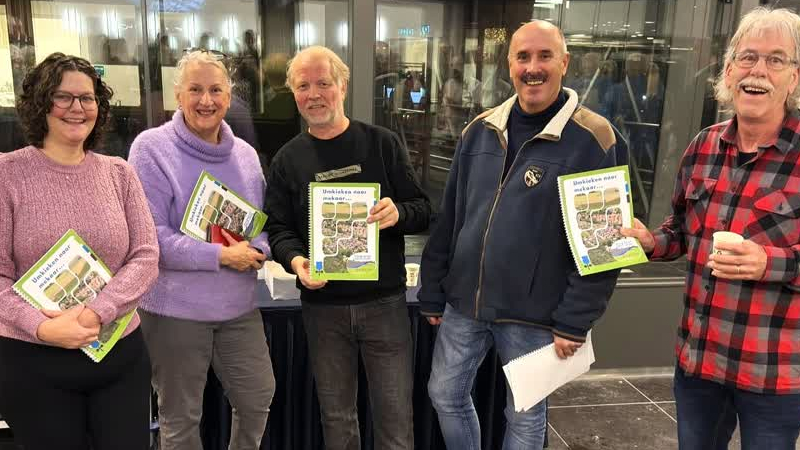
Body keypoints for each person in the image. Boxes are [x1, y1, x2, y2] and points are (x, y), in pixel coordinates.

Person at [418, 20, 628, 450]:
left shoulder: (595, 139)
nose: (533, 68)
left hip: (536, 315)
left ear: (564, 62)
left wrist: (576, 320)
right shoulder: (479, 130)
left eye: (544, 56)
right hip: (466, 303)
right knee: (444, 394)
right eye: (523, 57)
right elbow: (451, 217)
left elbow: (605, 246)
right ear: (509, 64)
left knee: (525, 416)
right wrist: (433, 288)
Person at [621, 7, 800, 450]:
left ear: (794, 78)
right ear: (729, 70)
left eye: (776, 59)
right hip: (699, 362)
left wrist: (770, 263)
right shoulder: (703, 146)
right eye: (747, 57)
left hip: (775, 373)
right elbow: (681, 231)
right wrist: (651, 241)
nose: (758, 70)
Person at [264, 45, 432, 450]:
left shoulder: (382, 144)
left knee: (395, 418)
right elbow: (278, 229)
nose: (314, 94)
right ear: (294, 93)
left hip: (384, 304)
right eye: (303, 86)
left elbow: (423, 209)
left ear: (342, 86)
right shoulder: (287, 160)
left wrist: (398, 212)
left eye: (323, 83)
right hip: (323, 310)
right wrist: (296, 261)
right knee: (337, 420)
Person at [0, 52, 159, 450]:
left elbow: (145, 256)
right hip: (33, 360)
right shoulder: (7, 174)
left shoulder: (119, 173)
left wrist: (96, 312)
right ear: (40, 103)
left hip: (118, 355)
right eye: (63, 97)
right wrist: (42, 327)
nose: (77, 108)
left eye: (87, 98)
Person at [127, 50, 275, 450]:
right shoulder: (150, 149)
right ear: (178, 95)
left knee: (258, 397)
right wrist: (222, 256)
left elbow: (259, 224)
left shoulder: (245, 155)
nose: (205, 100)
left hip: (239, 308)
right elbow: (151, 239)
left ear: (229, 96)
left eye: (215, 90)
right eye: (195, 90)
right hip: (175, 312)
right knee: (180, 419)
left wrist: (259, 249)